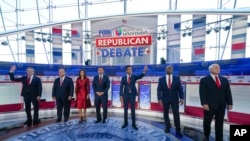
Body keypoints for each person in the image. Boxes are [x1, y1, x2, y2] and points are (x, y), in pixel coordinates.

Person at [199, 63, 233, 141]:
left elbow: (228, 92)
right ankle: (206, 136)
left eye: (218, 68)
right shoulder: (204, 80)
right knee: (207, 122)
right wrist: (204, 103)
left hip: (221, 105)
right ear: (210, 70)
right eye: (215, 68)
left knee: (220, 124)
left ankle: (219, 138)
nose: (218, 69)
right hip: (209, 105)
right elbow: (202, 93)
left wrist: (230, 103)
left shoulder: (224, 80)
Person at [157, 65, 184, 137]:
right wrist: (159, 99)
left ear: (172, 69)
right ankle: (167, 127)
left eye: (171, 68)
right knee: (165, 114)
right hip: (165, 99)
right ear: (165, 70)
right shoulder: (161, 79)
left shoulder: (177, 78)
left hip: (174, 99)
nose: (170, 69)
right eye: (168, 68)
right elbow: (159, 90)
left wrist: (181, 98)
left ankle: (178, 129)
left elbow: (180, 89)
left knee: (176, 114)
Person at [120, 65, 148, 130]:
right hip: (126, 95)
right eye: (129, 69)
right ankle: (125, 123)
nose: (130, 70)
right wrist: (121, 95)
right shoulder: (123, 78)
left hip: (132, 95)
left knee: (133, 110)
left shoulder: (134, 76)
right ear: (126, 71)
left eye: (131, 69)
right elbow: (121, 87)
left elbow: (140, 76)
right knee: (125, 110)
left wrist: (144, 72)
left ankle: (133, 124)